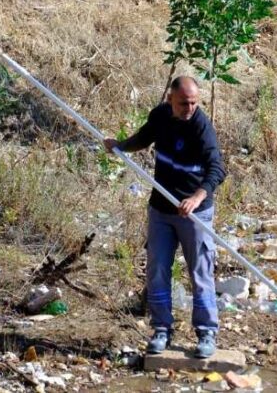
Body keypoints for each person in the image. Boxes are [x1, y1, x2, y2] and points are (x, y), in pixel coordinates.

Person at [104, 76, 227, 358]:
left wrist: (196, 198)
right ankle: (161, 329)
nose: (189, 108)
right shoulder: (160, 116)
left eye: (194, 103)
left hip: (195, 214)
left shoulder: (201, 126)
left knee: (200, 271)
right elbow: (143, 138)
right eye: (184, 103)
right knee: (157, 268)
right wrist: (120, 146)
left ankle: (206, 332)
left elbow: (217, 169)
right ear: (170, 99)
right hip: (161, 210)